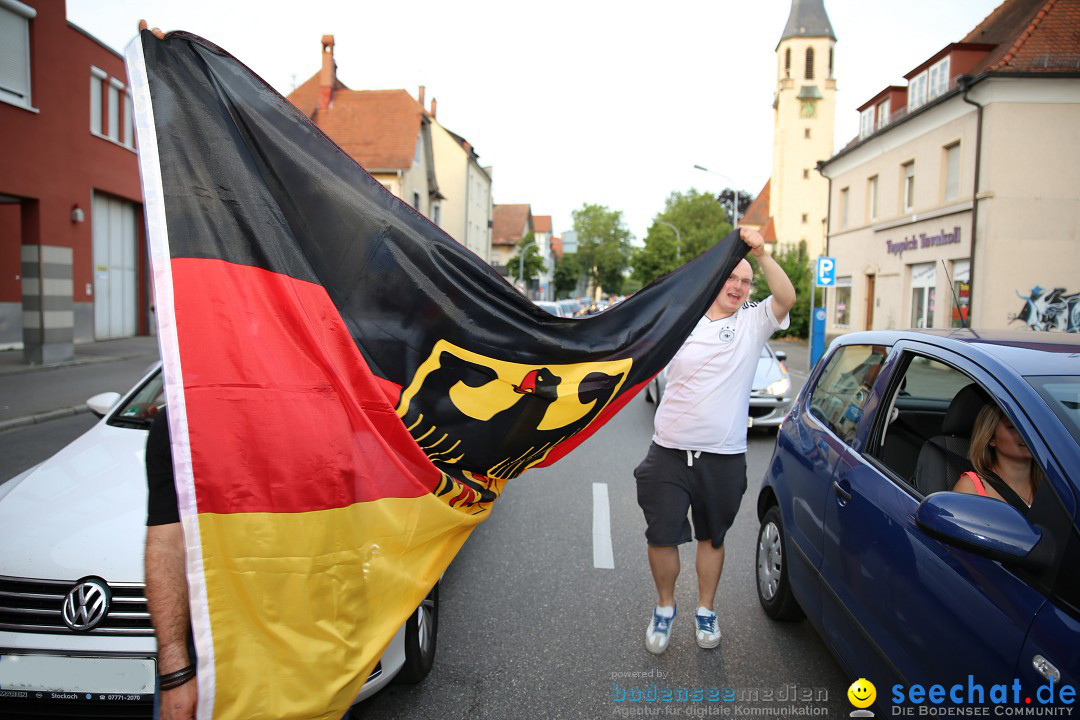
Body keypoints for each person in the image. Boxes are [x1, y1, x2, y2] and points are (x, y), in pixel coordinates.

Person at [634, 227, 795, 654]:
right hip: (668, 451)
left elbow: (787, 297)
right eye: (732, 278)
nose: (740, 287)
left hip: (723, 457)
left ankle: (705, 610)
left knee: (713, 538)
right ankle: (665, 608)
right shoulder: (681, 319)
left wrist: (760, 255)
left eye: (746, 282)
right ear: (716, 278)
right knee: (662, 536)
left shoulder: (753, 323)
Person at [145, 407, 198, 720]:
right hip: (210, 653)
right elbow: (168, 542)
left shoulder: (329, 408)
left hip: (309, 660)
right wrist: (175, 672)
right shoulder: (180, 420)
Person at [952, 402, 1041, 509]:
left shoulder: (1055, 485)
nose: (1027, 433)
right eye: (1013, 426)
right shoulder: (972, 488)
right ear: (991, 438)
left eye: (1032, 426)